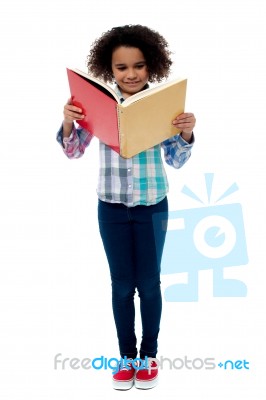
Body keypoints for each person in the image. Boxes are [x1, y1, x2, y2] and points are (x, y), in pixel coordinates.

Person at [56, 24, 196, 390]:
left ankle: (149, 356)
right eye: (122, 68)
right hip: (112, 208)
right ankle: (126, 356)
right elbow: (73, 152)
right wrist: (70, 122)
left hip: (153, 206)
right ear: (110, 69)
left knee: (149, 284)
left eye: (139, 66)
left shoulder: (161, 104)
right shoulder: (98, 104)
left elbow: (177, 161)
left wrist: (185, 132)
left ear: (152, 67)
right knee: (121, 286)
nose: (131, 74)